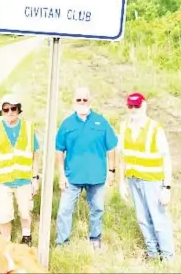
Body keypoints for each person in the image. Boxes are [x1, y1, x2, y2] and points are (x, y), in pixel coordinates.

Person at [55, 86, 118, 249]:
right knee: (64, 210)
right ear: (73, 102)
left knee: (97, 208)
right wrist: (61, 174)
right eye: (79, 100)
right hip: (72, 176)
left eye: (85, 99)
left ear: (90, 100)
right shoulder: (67, 124)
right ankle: (62, 242)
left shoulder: (101, 122)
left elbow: (111, 148)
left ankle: (95, 238)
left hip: (96, 176)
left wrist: (112, 171)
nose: (82, 102)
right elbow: (59, 150)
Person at [118, 92, 174, 261]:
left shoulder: (155, 129)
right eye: (131, 106)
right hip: (133, 179)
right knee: (142, 219)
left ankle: (168, 258)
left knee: (158, 220)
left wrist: (167, 187)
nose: (134, 109)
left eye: (137, 105)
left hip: (152, 181)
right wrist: (121, 182)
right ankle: (153, 254)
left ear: (144, 105)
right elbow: (122, 157)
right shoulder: (124, 127)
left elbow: (166, 159)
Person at [0, 94, 40, 246]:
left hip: (23, 180)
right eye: (6, 109)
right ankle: (6, 242)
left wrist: (35, 179)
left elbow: (35, 156)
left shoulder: (28, 128)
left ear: (18, 110)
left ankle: (27, 237)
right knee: (3, 215)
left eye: (13, 108)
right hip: (2, 182)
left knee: (25, 211)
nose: (10, 112)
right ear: (1, 111)